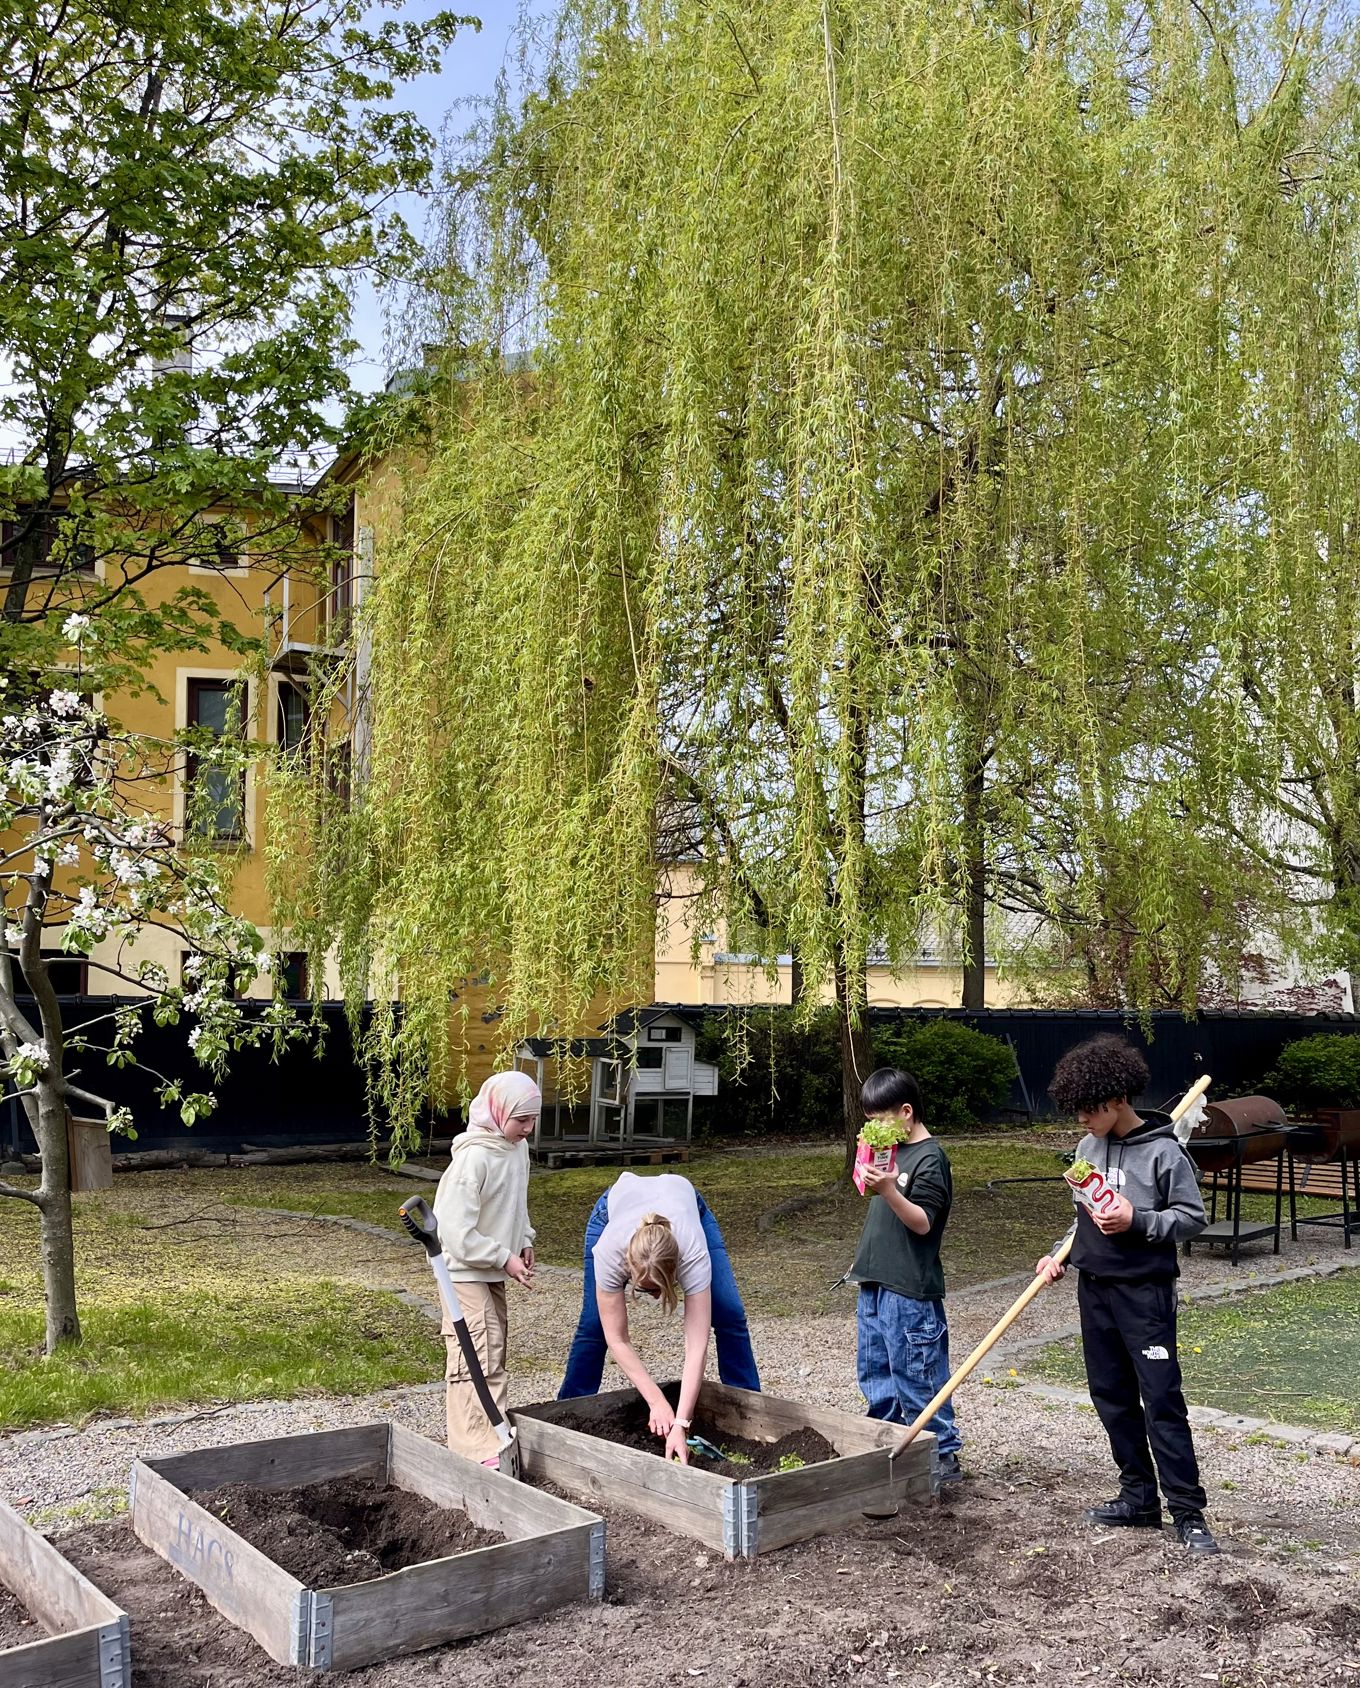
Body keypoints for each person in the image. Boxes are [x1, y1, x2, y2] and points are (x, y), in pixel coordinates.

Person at [1035, 1034, 1218, 1554]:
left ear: (1117, 1101)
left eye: (1088, 1111)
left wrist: (1137, 1218)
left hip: (1146, 1295)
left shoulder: (1165, 1153)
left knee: (1161, 1400)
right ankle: (1138, 1498)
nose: (1081, 1122)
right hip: (1095, 1292)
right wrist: (1059, 1255)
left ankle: (1187, 1512)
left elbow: (1192, 1218)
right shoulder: (1088, 1148)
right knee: (1112, 1398)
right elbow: (1081, 1220)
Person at [557, 1171, 759, 1462]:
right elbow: (618, 1339)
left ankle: (750, 1413)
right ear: (628, 1268)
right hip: (611, 1210)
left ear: (676, 1270)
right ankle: (565, 1417)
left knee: (729, 1312)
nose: (653, 1295)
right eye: (644, 1287)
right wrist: (657, 1402)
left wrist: (681, 1422)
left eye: (659, 1288)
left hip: (690, 1208)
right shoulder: (610, 1252)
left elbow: (696, 1345)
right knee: (594, 1327)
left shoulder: (691, 1250)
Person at [849, 1066, 963, 1483]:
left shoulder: (931, 1158)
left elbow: (923, 1223)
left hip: (911, 1290)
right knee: (875, 1372)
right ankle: (887, 1446)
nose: (875, 1129)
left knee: (918, 1372)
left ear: (907, 1112)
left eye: (880, 1120)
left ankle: (941, 1455)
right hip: (875, 1280)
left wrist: (890, 1190)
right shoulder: (891, 1152)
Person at [432, 1070, 539, 1466]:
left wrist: (523, 1241)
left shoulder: (516, 1149)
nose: (528, 1129)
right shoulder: (474, 1158)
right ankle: (474, 1449)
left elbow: (516, 1204)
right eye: (521, 1120)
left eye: (533, 1120)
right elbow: (454, 1233)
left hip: (493, 1268)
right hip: (464, 1272)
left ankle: (494, 1432)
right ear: (497, 1113)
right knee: (472, 1357)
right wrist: (503, 1256)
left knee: (494, 1352)